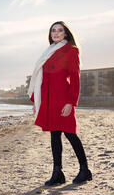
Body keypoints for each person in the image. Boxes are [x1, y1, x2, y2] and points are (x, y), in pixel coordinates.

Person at [28, 21, 92, 185]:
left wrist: (70, 102)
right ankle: (58, 173)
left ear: (66, 33)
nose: (56, 33)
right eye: (53, 31)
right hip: (48, 99)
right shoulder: (48, 51)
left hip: (62, 98)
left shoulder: (71, 50)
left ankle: (84, 170)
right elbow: (41, 79)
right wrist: (38, 101)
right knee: (54, 135)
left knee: (70, 133)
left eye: (60, 30)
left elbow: (75, 79)